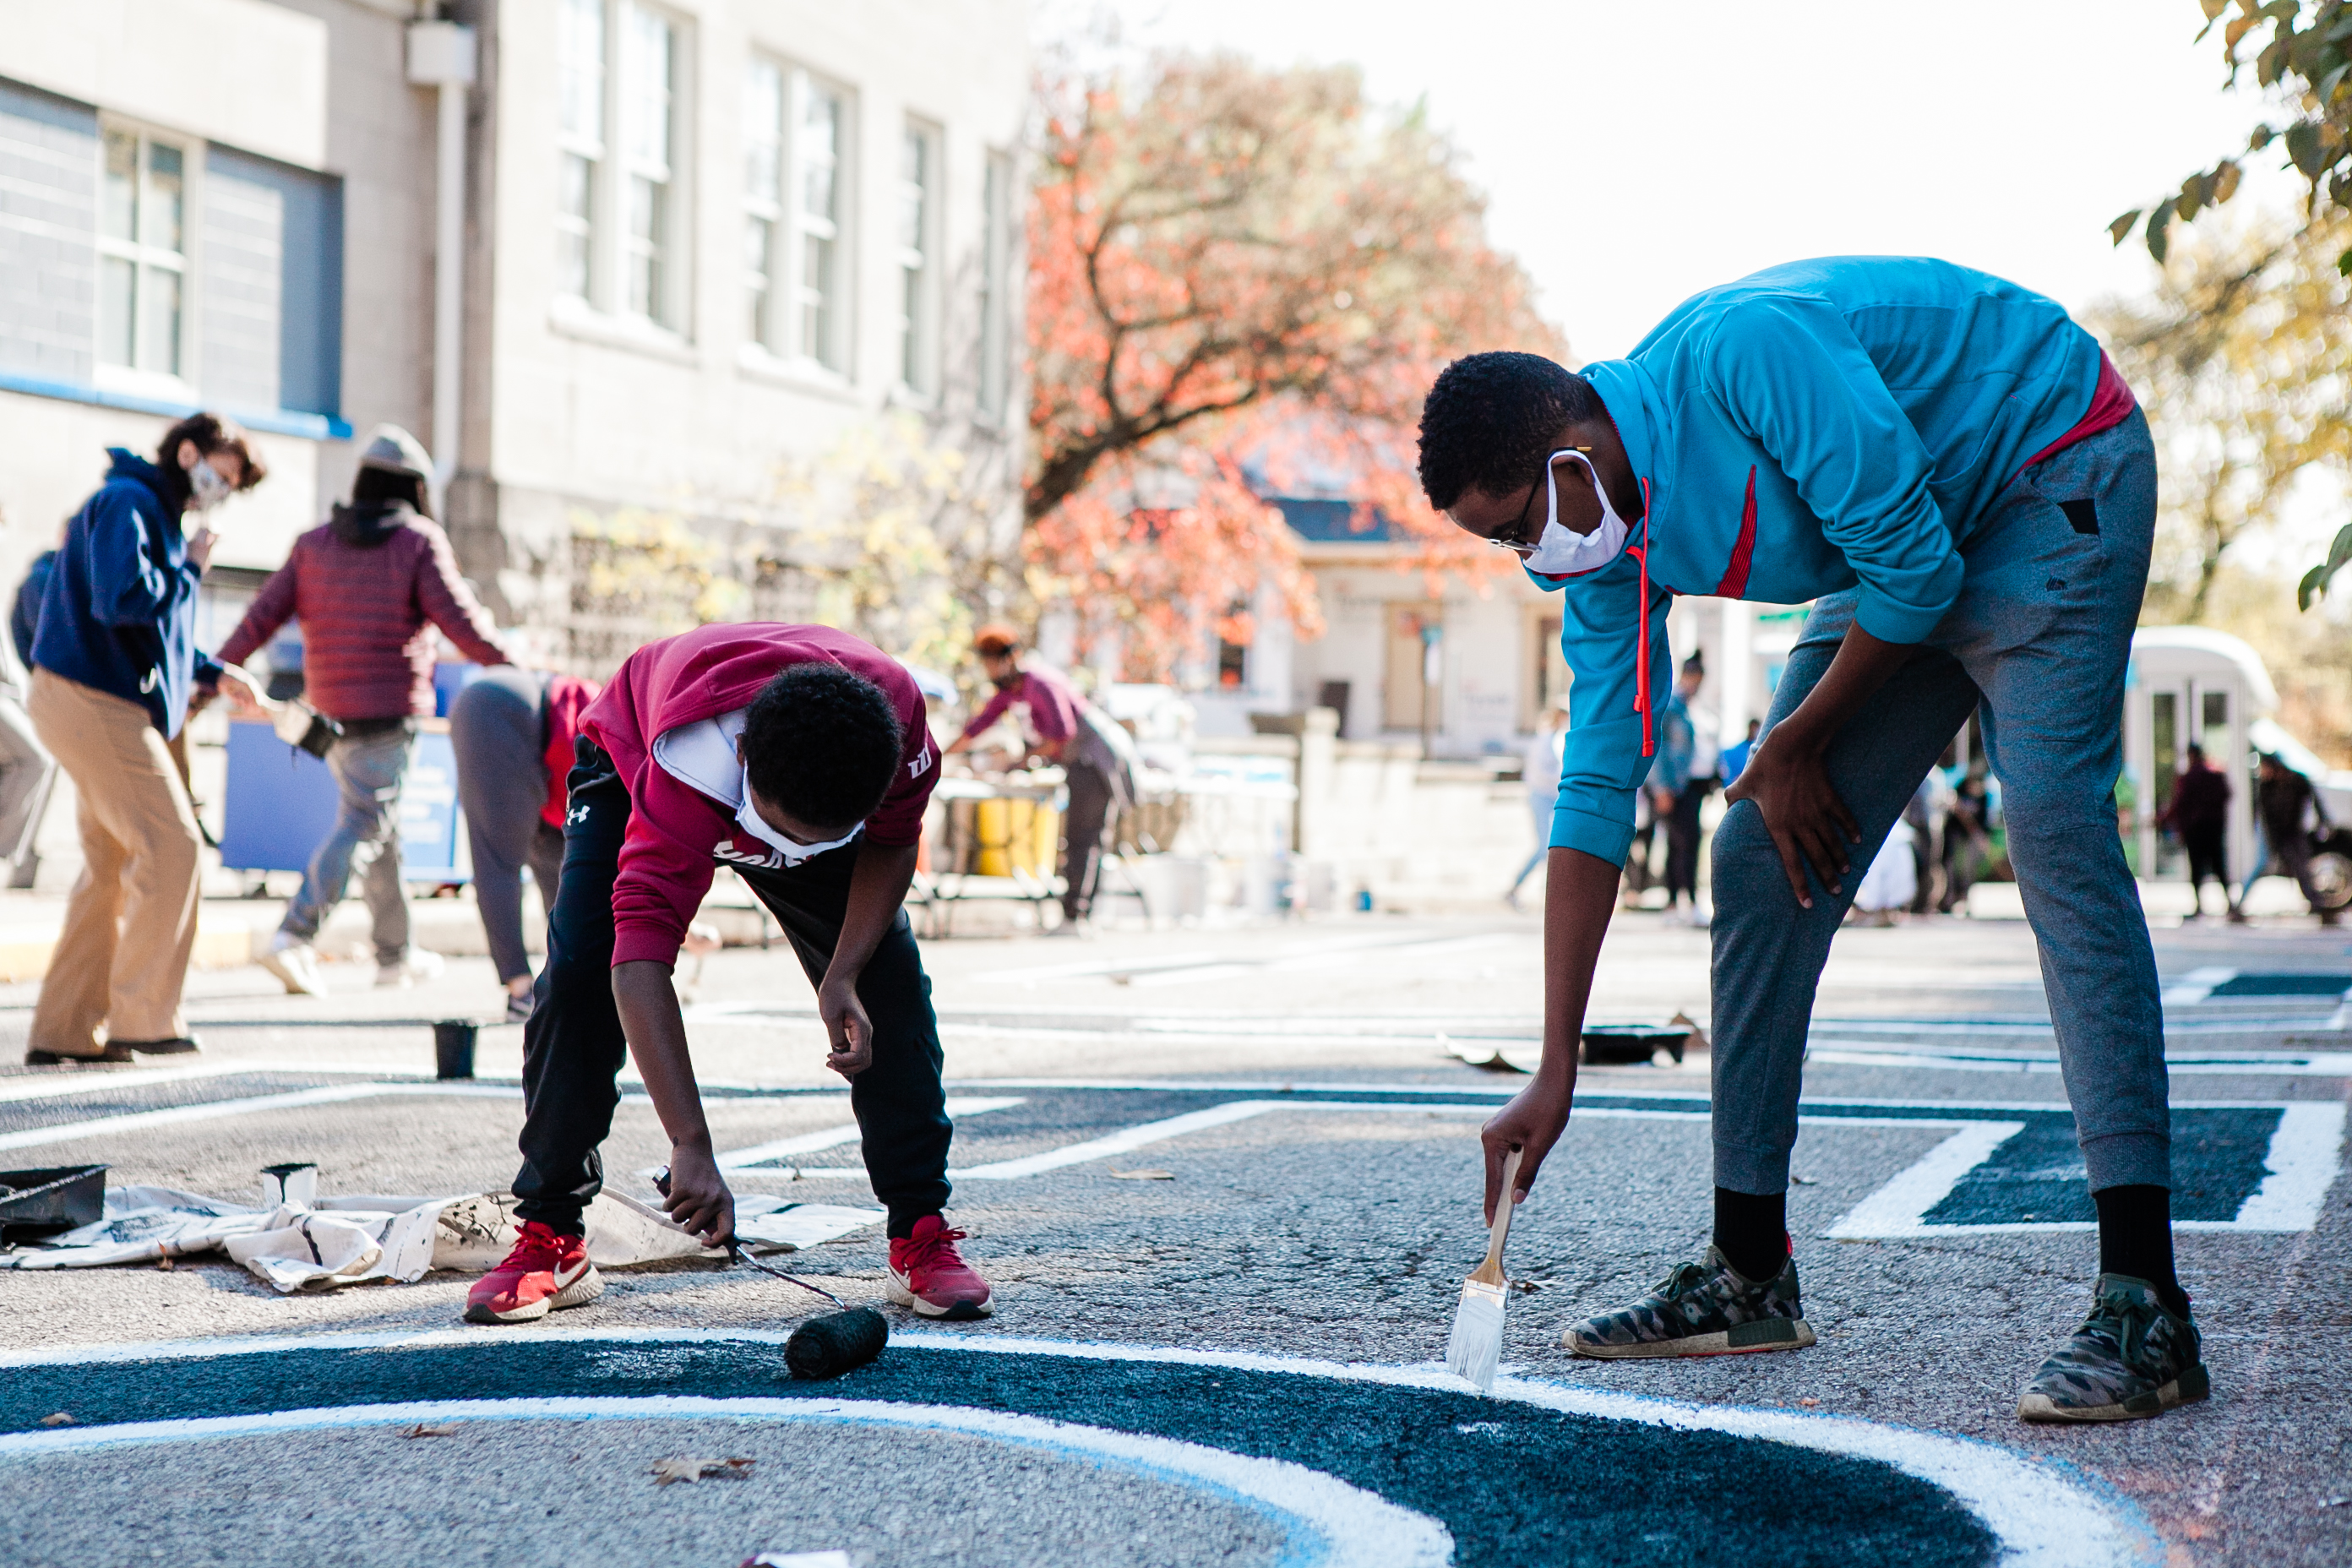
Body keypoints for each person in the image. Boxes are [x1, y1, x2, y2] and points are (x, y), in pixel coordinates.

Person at [1418, 256, 2201, 1424]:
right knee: (1754, 857)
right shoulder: (1610, 554)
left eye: (1517, 523)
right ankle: (1749, 1271)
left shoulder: (1745, 353)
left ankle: (2148, 1304)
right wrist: (1557, 1060)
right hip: (1900, 542)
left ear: (1571, 455)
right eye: (1500, 545)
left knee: (2053, 828)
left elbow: (1921, 568)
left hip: (2045, 463)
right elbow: (1597, 787)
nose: (1527, 557)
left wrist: (1790, 746)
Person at [466, 623, 994, 1325]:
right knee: (579, 979)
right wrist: (691, 1143)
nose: (782, 856)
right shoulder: (693, 762)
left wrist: (843, 972)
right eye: (777, 835)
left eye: (813, 843)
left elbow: (894, 844)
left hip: (803, 771)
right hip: (636, 753)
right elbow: (639, 960)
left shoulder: (897, 736)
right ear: (745, 757)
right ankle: (551, 1233)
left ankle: (919, 1231)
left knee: (888, 988)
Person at [215, 426, 512, 996]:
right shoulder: (418, 541)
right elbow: (460, 621)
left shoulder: (313, 543)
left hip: (328, 715)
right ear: (416, 488)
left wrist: (215, 671)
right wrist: (516, 667)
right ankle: (293, 935)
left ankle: (395, 954)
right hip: (387, 712)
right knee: (365, 824)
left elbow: (260, 616)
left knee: (379, 826)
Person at [24, 415, 271, 1064]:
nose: (220, 487)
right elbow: (123, 601)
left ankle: (66, 1030)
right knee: (172, 846)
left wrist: (214, 674)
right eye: (219, 471)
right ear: (186, 450)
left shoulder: (151, 511)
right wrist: (189, 568)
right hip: (92, 698)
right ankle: (143, 1018)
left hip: (92, 696)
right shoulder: (132, 502)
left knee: (109, 865)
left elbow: (148, 629)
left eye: (231, 483)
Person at [943, 625, 1135, 934]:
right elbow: (977, 727)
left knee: (1084, 837)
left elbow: (1063, 734)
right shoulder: (1010, 692)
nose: (990, 670)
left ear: (1011, 657)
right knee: (1080, 838)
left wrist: (1020, 760)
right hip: (1078, 762)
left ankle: (1076, 917)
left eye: (993, 662)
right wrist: (937, 758)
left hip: (1095, 760)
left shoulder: (1041, 683)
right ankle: (1077, 914)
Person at [449, 667, 600, 1020]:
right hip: (497, 713)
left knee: (562, 866)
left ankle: (567, 978)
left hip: (517, 710)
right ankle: (520, 989)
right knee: (498, 858)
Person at [2232, 752, 2334, 925]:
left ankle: (2317, 903)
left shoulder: (2296, 781)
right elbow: (2264, 816)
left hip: (2293, 831)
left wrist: (2323, 822)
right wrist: (2274, 843)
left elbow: (2315, 801)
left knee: (2301, 866)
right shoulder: (2267, 787)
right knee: (2264, 865)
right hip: (2275, 833)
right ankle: (2239, 904)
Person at [1650, 653, 1712, 925]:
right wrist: (1661, 787)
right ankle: (1675, 903)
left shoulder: (1694, 707)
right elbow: (1658, 747)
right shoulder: (1672, 705)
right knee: (1679, 844)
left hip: (1694, 786)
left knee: (1691, 844)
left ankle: (1687, 901)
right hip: (1675, 787)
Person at [1507, 700, 1571, 909]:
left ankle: (1547, 895)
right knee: (1545, 847)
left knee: (1554, 848)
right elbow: (1540, 773)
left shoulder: (1559, 740)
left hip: (1553, 797)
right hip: (1542, 796)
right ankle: (1516, 888)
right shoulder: (1543, 741)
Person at [2159, 743, 2232, 921]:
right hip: (2213, 828)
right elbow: (2227, 795)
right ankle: (2230, 903)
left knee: (2197, 867)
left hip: (2195, 830)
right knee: (2219, 865)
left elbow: (2179, 803)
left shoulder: (2189, 778)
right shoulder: (2215, 776)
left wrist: (2164, 819)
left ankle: (2199, 904)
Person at [1718, 717, 1761, 785]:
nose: (1753, 731)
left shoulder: (1759, 749)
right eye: (1752, 728)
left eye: (1755, 729)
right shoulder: (1740, 749)